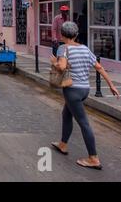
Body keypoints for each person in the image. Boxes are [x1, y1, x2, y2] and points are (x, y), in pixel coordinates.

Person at [50, 22, 120, 170]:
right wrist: (111, 85)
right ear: (75, 35)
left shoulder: (63, 48)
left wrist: (55, 62)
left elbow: (62, 67)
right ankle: (63, 144)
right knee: (66, 114)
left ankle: (93, 158)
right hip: (84, 89)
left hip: (72, 90)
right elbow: (99, 67)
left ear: (62, 35)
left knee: (84, 123)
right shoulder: (85, 49)